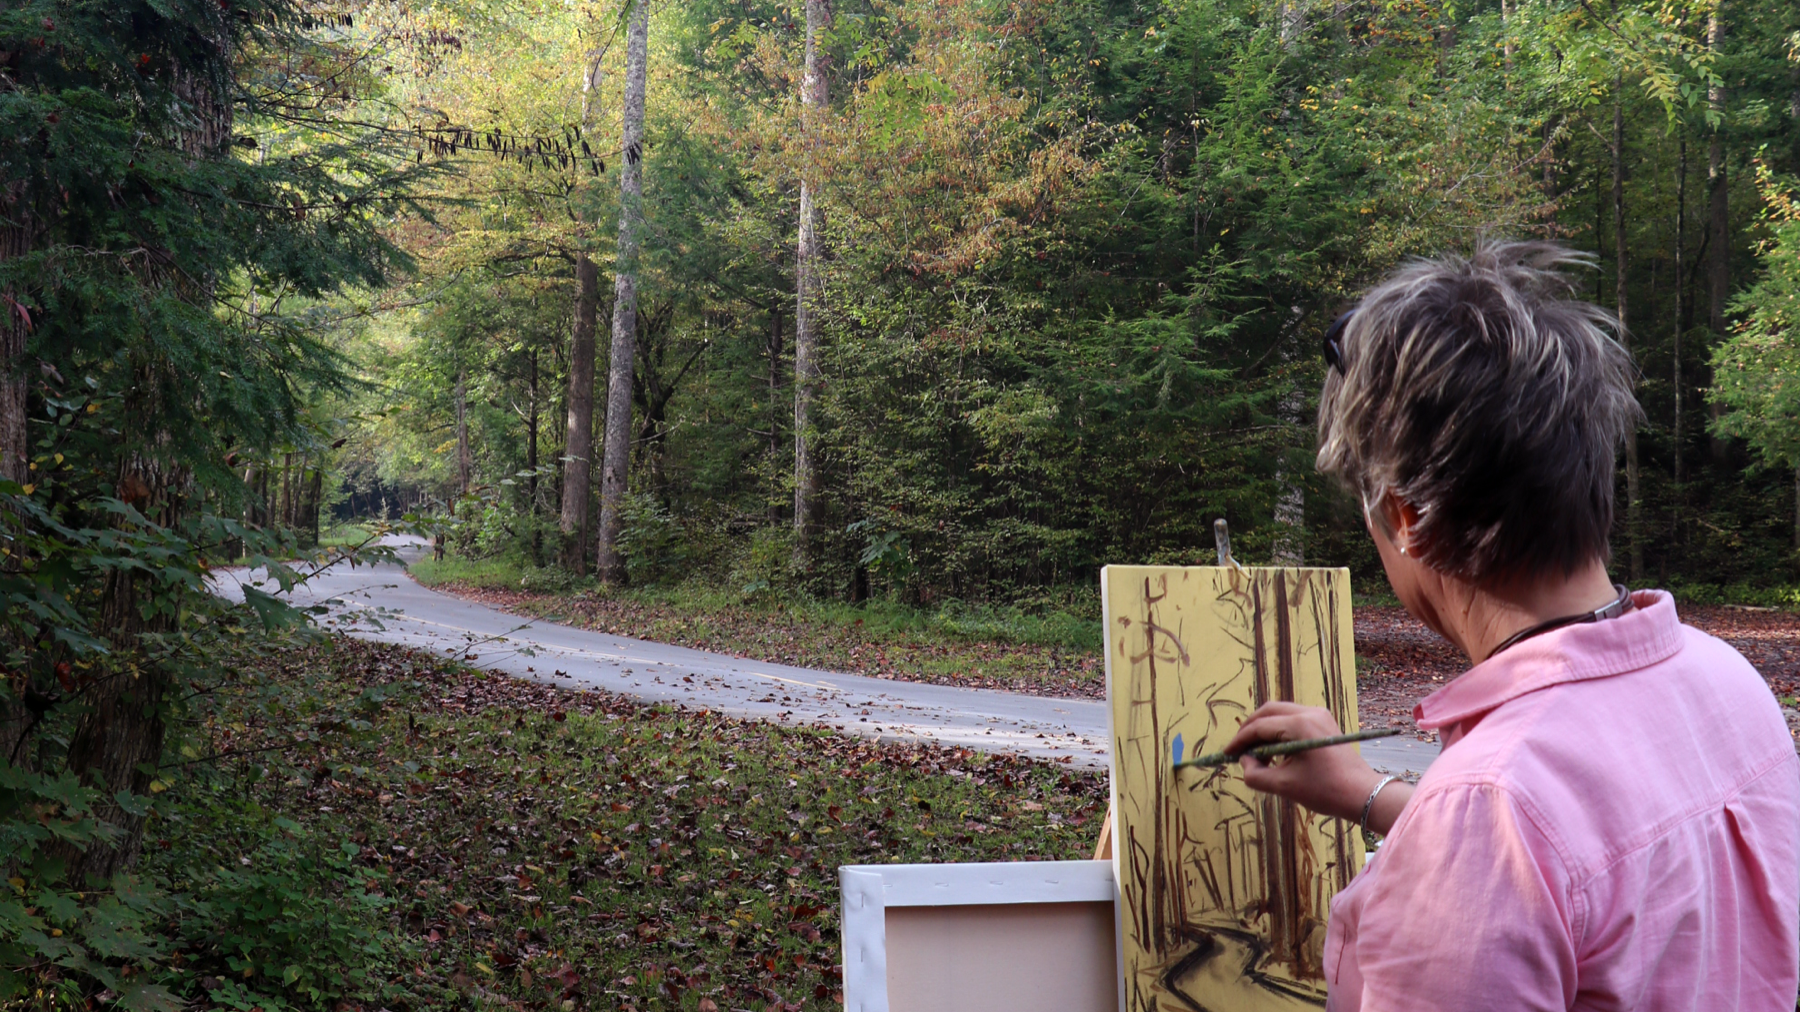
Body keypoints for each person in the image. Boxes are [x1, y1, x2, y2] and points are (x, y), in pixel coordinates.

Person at [1224, 242, 1800, 1010]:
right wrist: (1370, 794)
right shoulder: (1724, 679)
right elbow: (1580, 873)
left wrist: (1446, 826)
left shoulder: (1486, 812)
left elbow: (1512, 850)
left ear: (1406, 517)